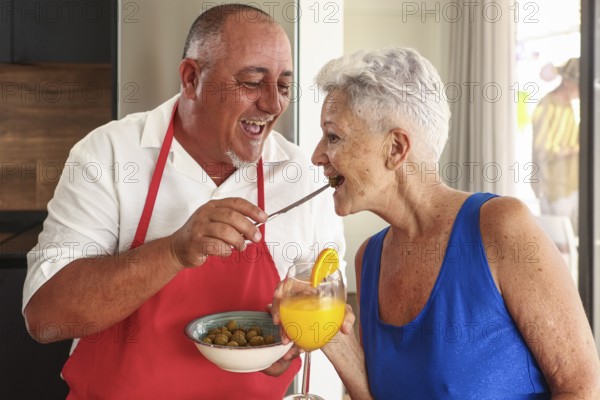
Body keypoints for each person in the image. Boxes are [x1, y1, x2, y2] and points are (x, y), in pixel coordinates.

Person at [22, 4, 345, 399]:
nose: (273, 104)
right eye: (251, 81)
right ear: (191, 78)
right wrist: (175, 250)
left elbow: (324, 298)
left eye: (282, 86)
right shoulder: (109, 154)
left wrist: (297, 339)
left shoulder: (302, 176)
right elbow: (46, 318)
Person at [274, 48, 600, 399]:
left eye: (333, 136)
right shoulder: (369, 258)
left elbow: (581, 387)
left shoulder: (502, 228)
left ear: (396, 148)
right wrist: (332, 341)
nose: (317, 155)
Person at [531, 58, 580, 232]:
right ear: (568, 83)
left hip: (571, 184)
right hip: (555, 186)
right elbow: (544, 148)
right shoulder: (547, 105)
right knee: (560, 242)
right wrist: (576, 149)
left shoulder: (567, 106)